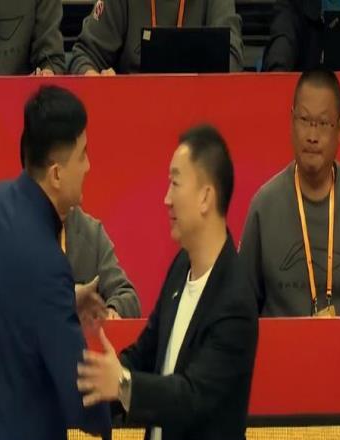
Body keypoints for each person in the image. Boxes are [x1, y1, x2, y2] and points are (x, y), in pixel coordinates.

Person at [0, 86, 111, 440]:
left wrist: (64, 300)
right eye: (83, 155)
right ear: (57, 174)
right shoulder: (49, 266)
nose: (89, 166)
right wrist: (126, 392)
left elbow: (10, 296)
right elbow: (81, 397)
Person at [77, 125, 258, 440]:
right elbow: (146, 354)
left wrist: (122, 383)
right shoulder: (180, 267)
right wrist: (96, 381)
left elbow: (192, 396)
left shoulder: (236, 298)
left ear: (205, 197)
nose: (166, 199)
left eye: (175, 183)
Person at [239, 69, 340, 317]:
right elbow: (240, 314)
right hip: (281, 344)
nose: (312, 136)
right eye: (304, 120)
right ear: (291, 121)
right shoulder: (264, 206)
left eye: (323, 123)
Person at [0, 205, 142, 319]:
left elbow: (128, 296)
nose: (87, 167)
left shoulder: (91, 232)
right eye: (80, 159)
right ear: (55, 175)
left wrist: (112, 311)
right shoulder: (6, 233)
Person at [68, 0, 244, 75]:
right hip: (133, 111)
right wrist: (92, 75)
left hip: (200, 110)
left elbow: (231, 59)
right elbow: (85, 56)